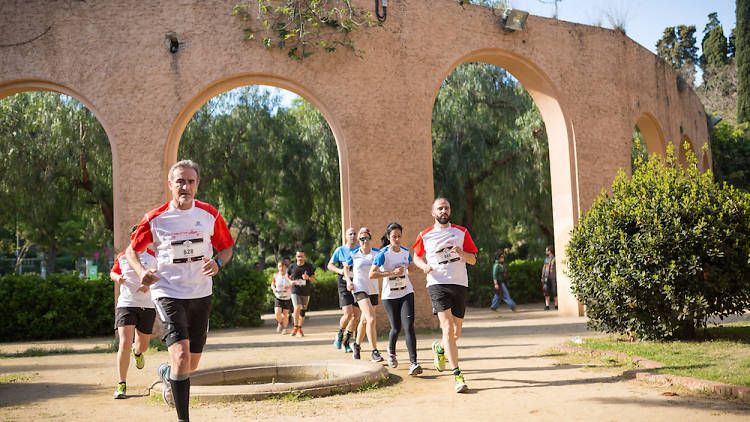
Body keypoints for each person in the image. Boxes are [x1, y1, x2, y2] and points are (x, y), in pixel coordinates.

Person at [126, 160, 234, 422]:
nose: (185, 186)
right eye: (180, 182)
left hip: (200, 293)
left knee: (190, 363)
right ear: (170, 184)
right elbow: (132, 251)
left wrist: (218, 263)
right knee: (182, 354)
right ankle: (183, 419)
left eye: (190, 182)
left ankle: (166, 373)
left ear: (197, 184)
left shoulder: (210, 214)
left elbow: (227, 248)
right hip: (167, 292)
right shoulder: (156, 217)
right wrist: (142, 273)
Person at [413, 197, 477, 393]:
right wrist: (424, 266)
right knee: (447, 328)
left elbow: (473, 260)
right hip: (437, 283)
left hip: (459, 283)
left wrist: (462, 254)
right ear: (433, 213)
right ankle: (457, 375)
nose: (443, 211)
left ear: (450, 211)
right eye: (440, 208)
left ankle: (440, 349)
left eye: (446, 208)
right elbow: (416, 255)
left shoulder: (461, 232)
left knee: (455, 333)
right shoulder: (425, 235)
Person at [110, 225, 157, 399]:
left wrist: (149, 284)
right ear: (133, 238)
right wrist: (118, 278)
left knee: (142, 344)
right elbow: (113, 273)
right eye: (136, 236)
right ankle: (121, 384)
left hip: (147, 305)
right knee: (124, 343)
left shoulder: (154, 257)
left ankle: (138, 353)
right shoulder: (123, 256)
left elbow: (161, 276)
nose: (139, 239)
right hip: (126, 304)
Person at [370, 222, 422, 375]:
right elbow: (372, 274)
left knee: (409, 326)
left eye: (399, 236)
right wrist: (392, 273)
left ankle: (414, 363)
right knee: (396, 327)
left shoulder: (406, 252)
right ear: (388, 237)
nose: (397, 239)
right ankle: (391, 352)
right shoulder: (383, 254)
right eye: (394, 237)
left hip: (406, 292)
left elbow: (411, 270)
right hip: (390, 295)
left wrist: (411, 269)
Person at [344, 227, 382, 362]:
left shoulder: (377, 253)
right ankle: (374, 351)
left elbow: (383, 267)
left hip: (373, 290)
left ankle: (357, 345)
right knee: (371, 318)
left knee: (365, 320)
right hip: (359, 289)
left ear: (370, 238)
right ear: (359, 240)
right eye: (362, 238)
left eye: (367, 238)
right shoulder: (353, 254)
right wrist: (349, 281)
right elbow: (346, 269)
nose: (364, 241)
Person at [327, 227, 360, 352]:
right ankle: (339, 335)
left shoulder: (360, 250)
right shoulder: (340, 250)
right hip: (343, 284)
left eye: (354, 233)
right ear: (346, 236)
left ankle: (347, 342)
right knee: (348, 314)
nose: (352, 236)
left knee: (355, 316)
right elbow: (330, 265)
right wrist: (340, 270)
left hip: (357, 284)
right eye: (350, 234)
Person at [286, 250, 315, 337]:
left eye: (302, 256)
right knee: (297, 307)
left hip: (306, 291)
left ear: (304, 257)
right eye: (299, 256)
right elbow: (286, 276)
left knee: (303, 311)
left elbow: (313, 278)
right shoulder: (292, 266)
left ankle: (299, 328)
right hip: (295, 290)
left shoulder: (308, 266)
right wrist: (290, 281)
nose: (300, 258)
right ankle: (295, 327)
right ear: (296, 257)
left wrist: (308, 277)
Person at [271, 261, 292, 334]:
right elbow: (273, 284)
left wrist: (289, 286)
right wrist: (274, 288)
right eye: (280, 266)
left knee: (285, 314)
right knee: (277, 313)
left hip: (287, 297)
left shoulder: (289, 275)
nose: (281, 268)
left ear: (286, 267)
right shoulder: (276, 275)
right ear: (278, 267)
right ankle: (280, 323)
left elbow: (293, 284)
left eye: (283, 267)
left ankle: (285, 328)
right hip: (278, 296)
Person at [541, 245, 558, 310]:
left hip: (553, 277)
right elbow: (544, 268)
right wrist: (542, 276)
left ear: (550, 251)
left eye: (547, 250)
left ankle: (556, 305)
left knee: (554, 291)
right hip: (546, 277)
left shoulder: (555, 258)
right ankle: (547, 306)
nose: (546, 252)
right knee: (546, 291)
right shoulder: (546, 259)